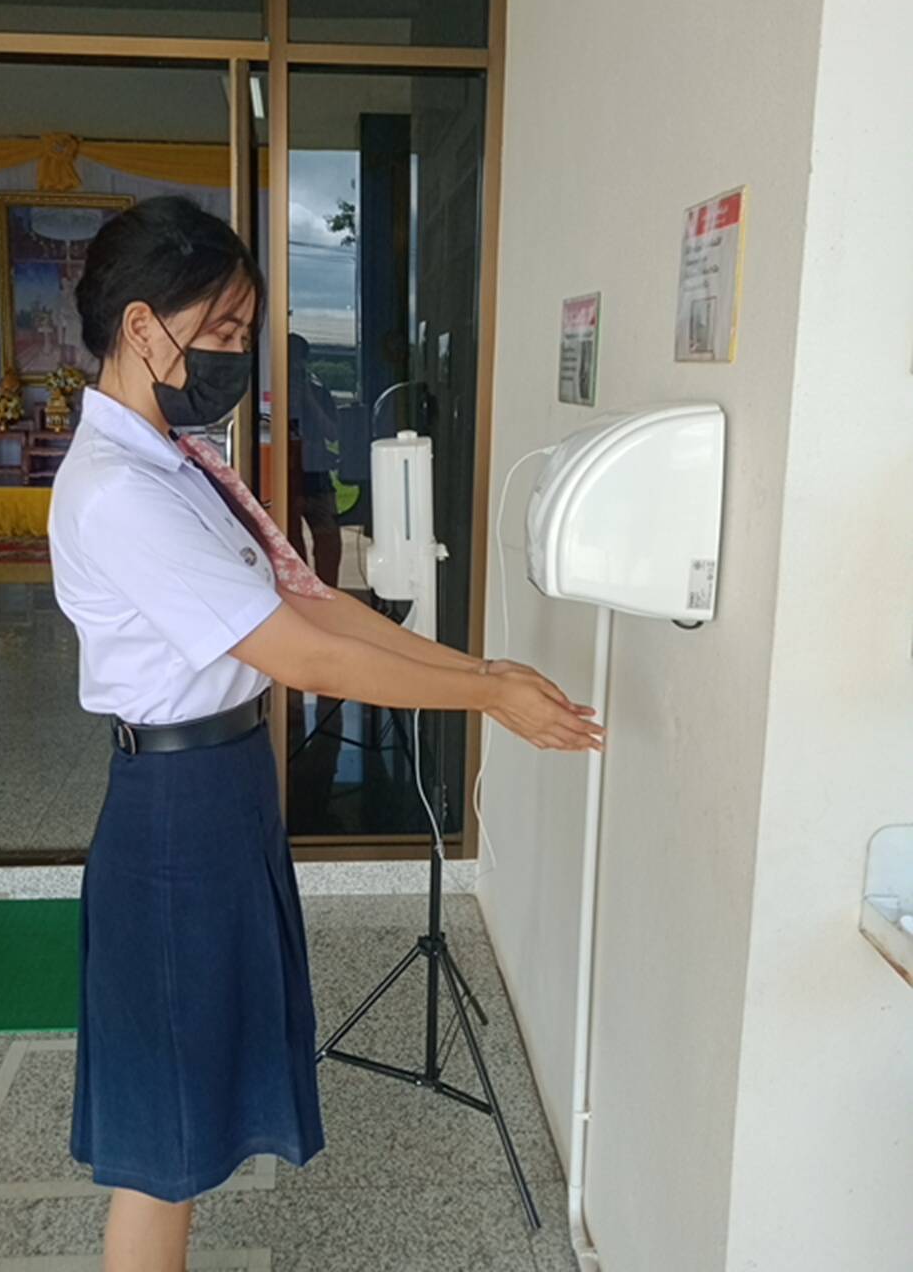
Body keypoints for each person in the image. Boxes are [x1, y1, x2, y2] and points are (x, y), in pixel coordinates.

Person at [47, 195, 604, 1272]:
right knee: (164, 1147)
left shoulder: (178, 462)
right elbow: (304, 657)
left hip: (221, 790)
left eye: (245, 332)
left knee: (193, 1108)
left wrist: (482, 672)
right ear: (141, 326)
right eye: (220, 330)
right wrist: (484, 698)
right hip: (174, 818)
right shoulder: (120, 493)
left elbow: (311, 605)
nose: (236, 355)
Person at [287, 331, 343, 586]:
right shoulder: (269, 393)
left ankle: (330, 590)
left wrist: (308, 397)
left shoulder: (318, 392)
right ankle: (301, 590)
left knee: (328, 537)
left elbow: (333, 433)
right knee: (289, 538)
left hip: (316, 472)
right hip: (286, 474)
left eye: (297, 361)